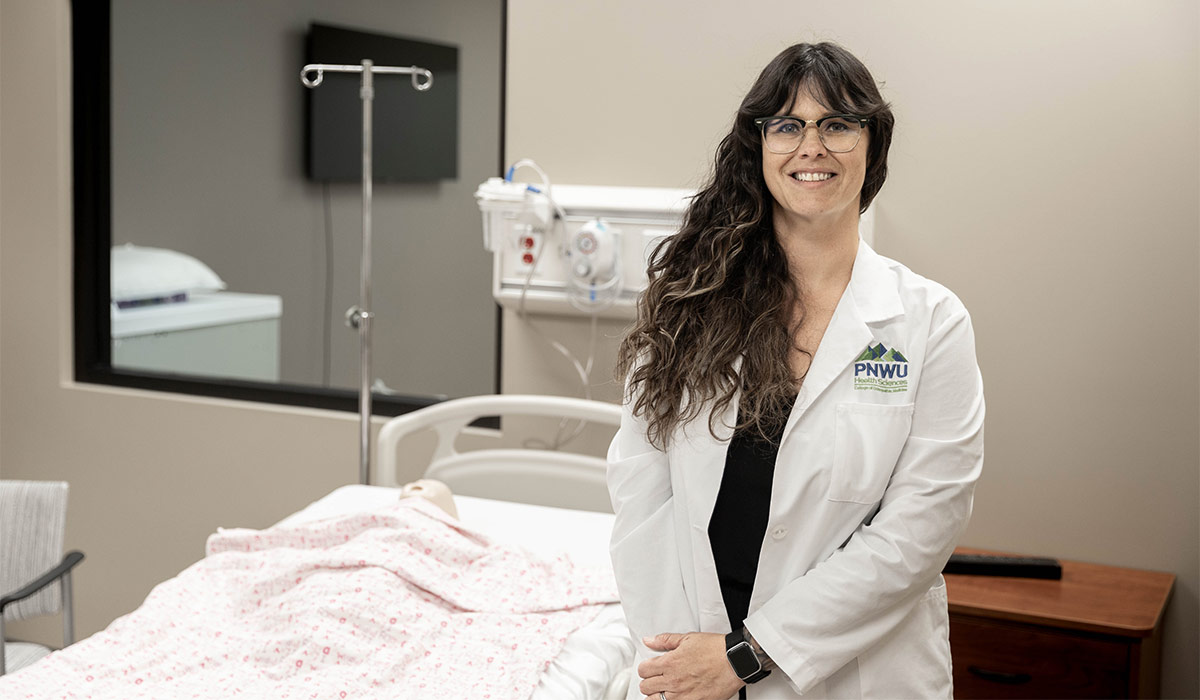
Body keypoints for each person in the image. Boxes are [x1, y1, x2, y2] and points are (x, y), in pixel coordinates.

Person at [607, 42, 984, 700]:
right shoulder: (691, 305)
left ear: (874, 147)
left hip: (855, 677)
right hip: (692, 661)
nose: (812, 146)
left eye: (837, 123)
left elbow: (917, 534)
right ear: (759, 146)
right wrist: (683, 656)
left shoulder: (930, 323)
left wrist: (746, 657)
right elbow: (641, 487)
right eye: (786, 125)